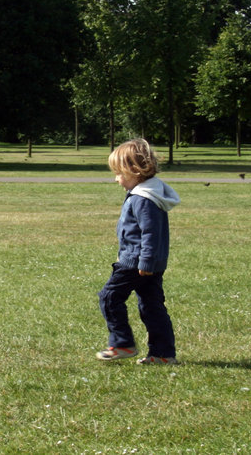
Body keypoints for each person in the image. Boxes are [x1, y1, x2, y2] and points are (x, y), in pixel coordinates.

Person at [96, 138, 181, 365]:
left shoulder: (144, 200)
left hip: (137, 263)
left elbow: (150, 234)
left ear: (135, 170)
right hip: (144, 261)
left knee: (109, 297)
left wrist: (144, 262)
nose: (116, 179)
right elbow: (132, 232)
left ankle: (122, 343)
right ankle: (162, 354)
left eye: (119, 173)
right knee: (151, 306)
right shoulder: (146, 194)